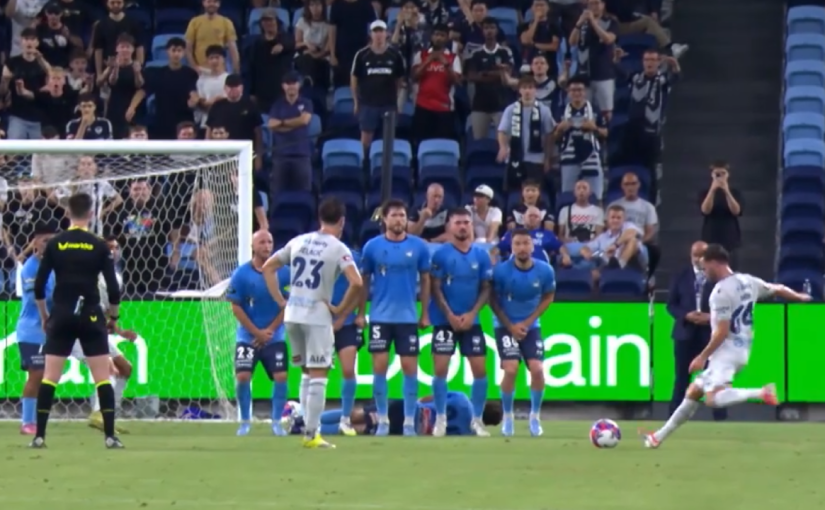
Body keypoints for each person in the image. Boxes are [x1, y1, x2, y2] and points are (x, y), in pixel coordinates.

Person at [641, 244, 811, 448]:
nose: (704, 272)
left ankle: (760, 393)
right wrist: (799, 297)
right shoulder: (748, 281)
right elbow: (778, 288)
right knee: (693, 391)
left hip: (726, 352)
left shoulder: (720, 292)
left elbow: (722, 332)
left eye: (705, 267)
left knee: (712, 399)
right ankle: (657, 437)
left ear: (714, 263)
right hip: (742, 348)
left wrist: (702, 356)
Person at [262, 198, 363, 449]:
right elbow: (357, 282)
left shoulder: (298, 241)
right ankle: (311, 434)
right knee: (319, 374)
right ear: (342, 221)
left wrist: (280, 300)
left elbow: (268, 267)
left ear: (319, 218)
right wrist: (340, 309)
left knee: (307, 372)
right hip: (317, 316)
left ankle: (308, 429)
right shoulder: (338, 248)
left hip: (292, 314)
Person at [30, 193, 123, 449]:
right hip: (91, 314)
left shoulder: (56, 243)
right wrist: (113, 317)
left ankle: (39, 436)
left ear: (68, 214)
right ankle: (110, 436)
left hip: (61, 314)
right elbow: (113, 289)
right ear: (91, 214)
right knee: (102, 377)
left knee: (50, 377)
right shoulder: (99, 245)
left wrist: (45, 316)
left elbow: (39, 286)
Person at [359, 199, 431, 436]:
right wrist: (360, 313)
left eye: (402, 215)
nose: (399, 220)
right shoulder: (372, 247)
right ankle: (383, 421)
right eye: (394, 215)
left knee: (410, 369)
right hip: (380, 317)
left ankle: (409, 422)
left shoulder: (418, 247)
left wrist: (425, 312)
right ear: (385, 219)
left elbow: (426, 279)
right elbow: (364, 281)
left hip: (407, 318)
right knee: (379, 369)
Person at [429, 208, 493, 437]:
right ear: (449, 226)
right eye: (458, 222)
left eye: (466, 222)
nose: (463, 226)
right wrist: (449, 315)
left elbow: (486, 288)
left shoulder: (481, 255)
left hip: (471, 322)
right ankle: (440, 419)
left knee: (480, 371)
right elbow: (435, 288)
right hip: (444, 321)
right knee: (440, 370)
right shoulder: (440, 255)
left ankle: (477, 420)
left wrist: (472, 313)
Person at [490, 228, 556, 437]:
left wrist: (527, 322)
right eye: (517, 243)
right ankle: (508, 416)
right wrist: (510, 326)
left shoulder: (545, 270)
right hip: (505, 326)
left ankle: (534, 416)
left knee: (537, 369)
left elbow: (548, 296)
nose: (522, 248)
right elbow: (493, 300)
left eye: (526, 243)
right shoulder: (501, 271)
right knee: (510, 369)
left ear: (532, 245)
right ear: (511, 247)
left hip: (530, 326)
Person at [227, 230, 291, 436]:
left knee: (281, 375)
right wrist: (256, 332)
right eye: (262, 242)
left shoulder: (284, 272)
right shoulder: (241, 274)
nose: (267, 246)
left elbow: (288, 304)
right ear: (253, 246)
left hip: (274, 335)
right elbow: (235, 307)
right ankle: (245, 421)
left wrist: (269, 331)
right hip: (248, 336)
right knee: (243, 376)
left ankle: (276, 422)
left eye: (270, 242)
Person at [73, 235, 135, 436]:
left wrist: (119, 330)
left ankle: (109, 415)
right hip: (78, 329)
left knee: (125, 368)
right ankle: (99, 413)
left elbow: (107, 312)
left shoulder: (116, 278)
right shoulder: (88, 273)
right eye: (109, 248)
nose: (113, 251)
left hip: (95, 328)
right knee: (109, 368)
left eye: (116, 248)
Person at [666, 241, 726, 422]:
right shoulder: (681, 276)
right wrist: (686, 315)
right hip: (685, 333)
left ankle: (721, 419)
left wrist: (711, 317)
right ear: (690, 255)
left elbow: (728, 304)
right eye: (696, 255)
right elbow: (671, 305)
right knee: (681, 378)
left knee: (715, 377)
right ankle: (672, 418)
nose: (699, 259)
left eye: (703, 255)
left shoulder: (719, 277)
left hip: (710, 335)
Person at [291, 392, 503, 436]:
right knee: (361, 428)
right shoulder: (469, 432)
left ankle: (307, 421)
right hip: (416, 429)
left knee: (357, 415)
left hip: (411, 411)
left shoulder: (462, 399)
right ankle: (305, 430)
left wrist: (415, 403)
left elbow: (434, 396)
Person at [16, 224, 56, 435]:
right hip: (32, 329)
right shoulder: (31, 267)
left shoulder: (56, 266)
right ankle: (27, 422)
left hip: (51, 328)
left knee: (46, 376)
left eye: (52, 241)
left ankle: (37, 418)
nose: (48, 244)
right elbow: (37, 297)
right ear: (35, 243)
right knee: (37, 373)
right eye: (44, 240)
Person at [350, 20, 406, 153]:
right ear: (370, 34)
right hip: (368, 104)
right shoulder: (361, 55)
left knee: (388, 140)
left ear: (387, 34)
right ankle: (365, 164)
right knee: (366, 140)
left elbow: (400, 80)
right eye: (375, 31)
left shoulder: (395, 55)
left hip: (389, 104)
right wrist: (356, 102)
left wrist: (398, 102)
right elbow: (354, 79)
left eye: (381, 31)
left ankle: (386, 165)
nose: (378, 34)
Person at [497, 75, 556, 191]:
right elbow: (502, 131)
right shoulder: (510, 109)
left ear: (535, 90)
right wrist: (502, 147)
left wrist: (547, 158)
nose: (527, 91)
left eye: (530, 87)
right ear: (519, 90)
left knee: (534, 191)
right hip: (514, 157)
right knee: (514, 192)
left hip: (536, 159)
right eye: (524, 88)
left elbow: (549, 135)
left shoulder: (544, 110)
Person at [330, 237, 363, 436]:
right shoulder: (315, 256)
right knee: (316, 373)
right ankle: (308, 418)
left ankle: (345, 418)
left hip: (347, 322)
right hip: (320, 321)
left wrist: (344, 317)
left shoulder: (353, 257)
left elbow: (360, 289)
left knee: (349, 370)